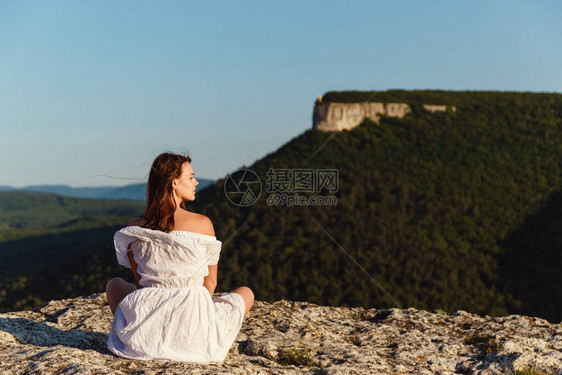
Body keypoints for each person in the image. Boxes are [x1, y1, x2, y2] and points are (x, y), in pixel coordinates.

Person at [105, 152, 254, 363]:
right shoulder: (203, 224)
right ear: (174, 183)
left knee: (114, 285)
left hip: (148, 324)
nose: (196, 182)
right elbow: (210, 283)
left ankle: (146, 336)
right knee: (245, 293)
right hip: (193, 330)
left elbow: (141, 282)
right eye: (191, 177)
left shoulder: (135, 227)